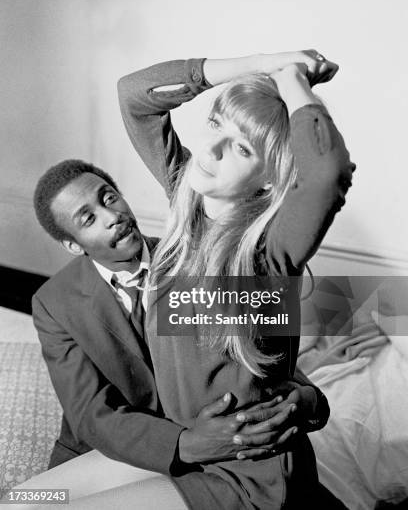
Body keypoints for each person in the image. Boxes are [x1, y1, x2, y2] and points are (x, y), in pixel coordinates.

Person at [113, 50, 355, 509]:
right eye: (216, 123)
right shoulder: (186, 198)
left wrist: (291, 79)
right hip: (188, 447)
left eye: (243, 147)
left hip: (246, 476)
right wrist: (264, 63)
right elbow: (134, 95)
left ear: (270, 177)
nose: (213, 149)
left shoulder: (268, 253)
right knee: (30, 499)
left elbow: (327, 172)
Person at [28, 158, 323, 508]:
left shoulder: (200, 262)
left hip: (222, 454)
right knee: (24, 501)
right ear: (74, 245)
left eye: (109, 198)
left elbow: (264, 354)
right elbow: (91, 414)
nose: (112, 217)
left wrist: (309, 400)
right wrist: (187, 443)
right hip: (128, 446)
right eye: (88, 218)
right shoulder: (54, 302)